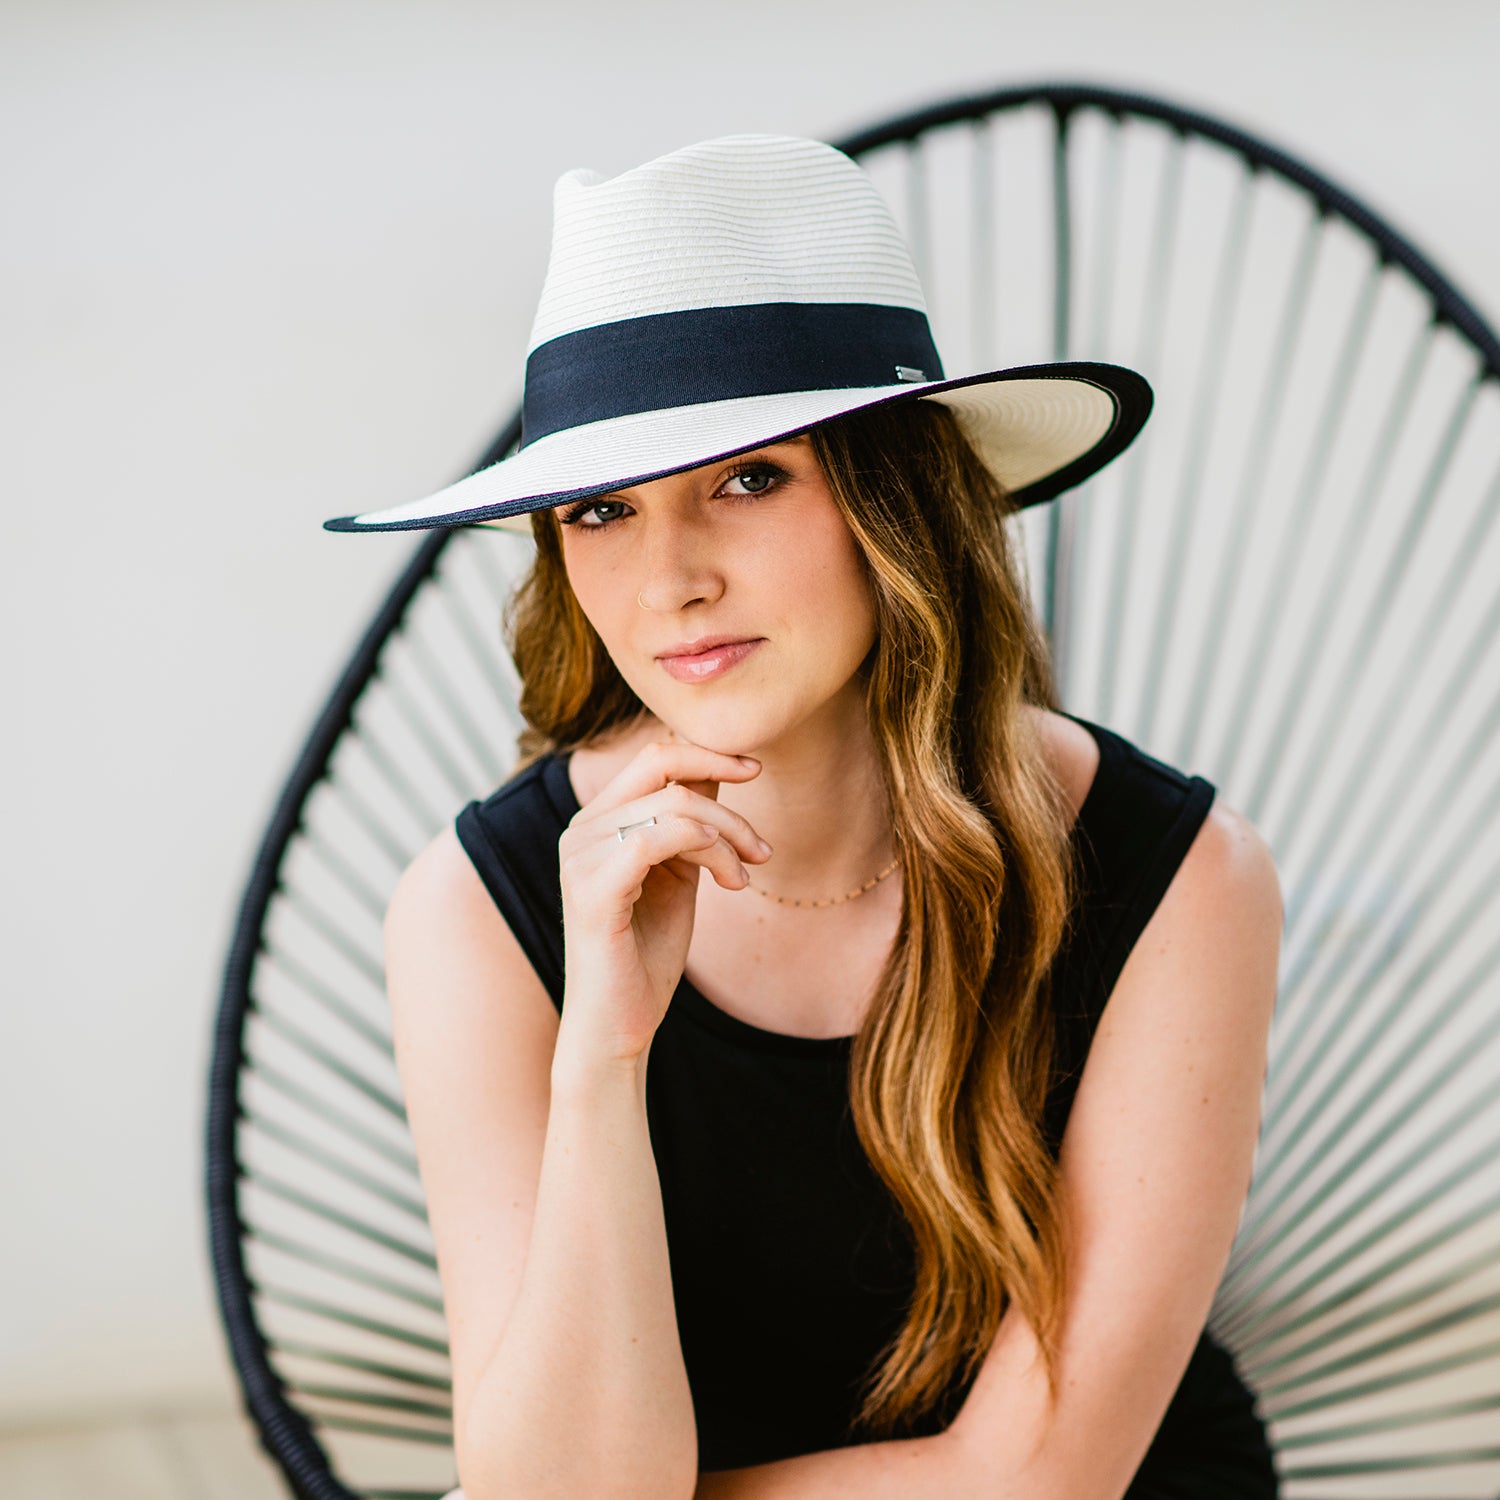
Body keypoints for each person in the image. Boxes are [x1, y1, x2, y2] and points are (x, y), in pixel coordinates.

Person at [327, 134, 1283, 1499]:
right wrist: (604, 1050)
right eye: (601, 508)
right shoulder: (483, 912)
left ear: (894, 499)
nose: (669, 581)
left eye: (748, 477)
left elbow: (1039, 1479)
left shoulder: (1179, 877)